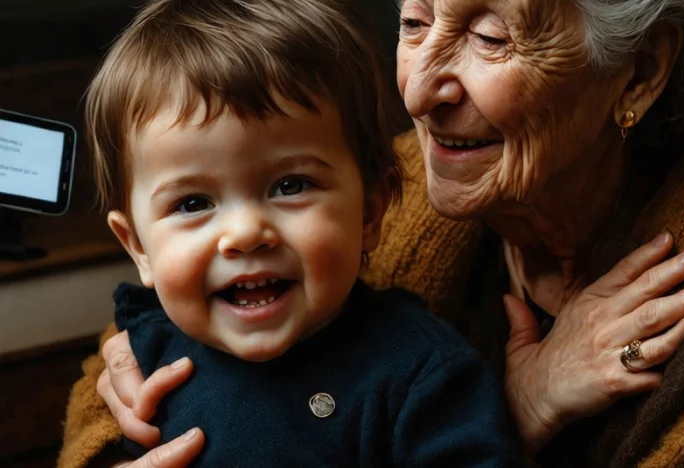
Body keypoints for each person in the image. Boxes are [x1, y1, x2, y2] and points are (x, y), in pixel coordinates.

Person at [58, 0, 684, 466]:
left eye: (489, 37)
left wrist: (496, 420)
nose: (414, 92)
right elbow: (118, 377)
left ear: (640, 71)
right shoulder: (402, 172)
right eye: (413, 23)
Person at [63, 0, 527, 466]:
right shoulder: (144, 348)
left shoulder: (424, 377)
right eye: (192, 204)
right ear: (139, 248)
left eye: (290, 186)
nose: (245, 234)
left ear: (370, 213)